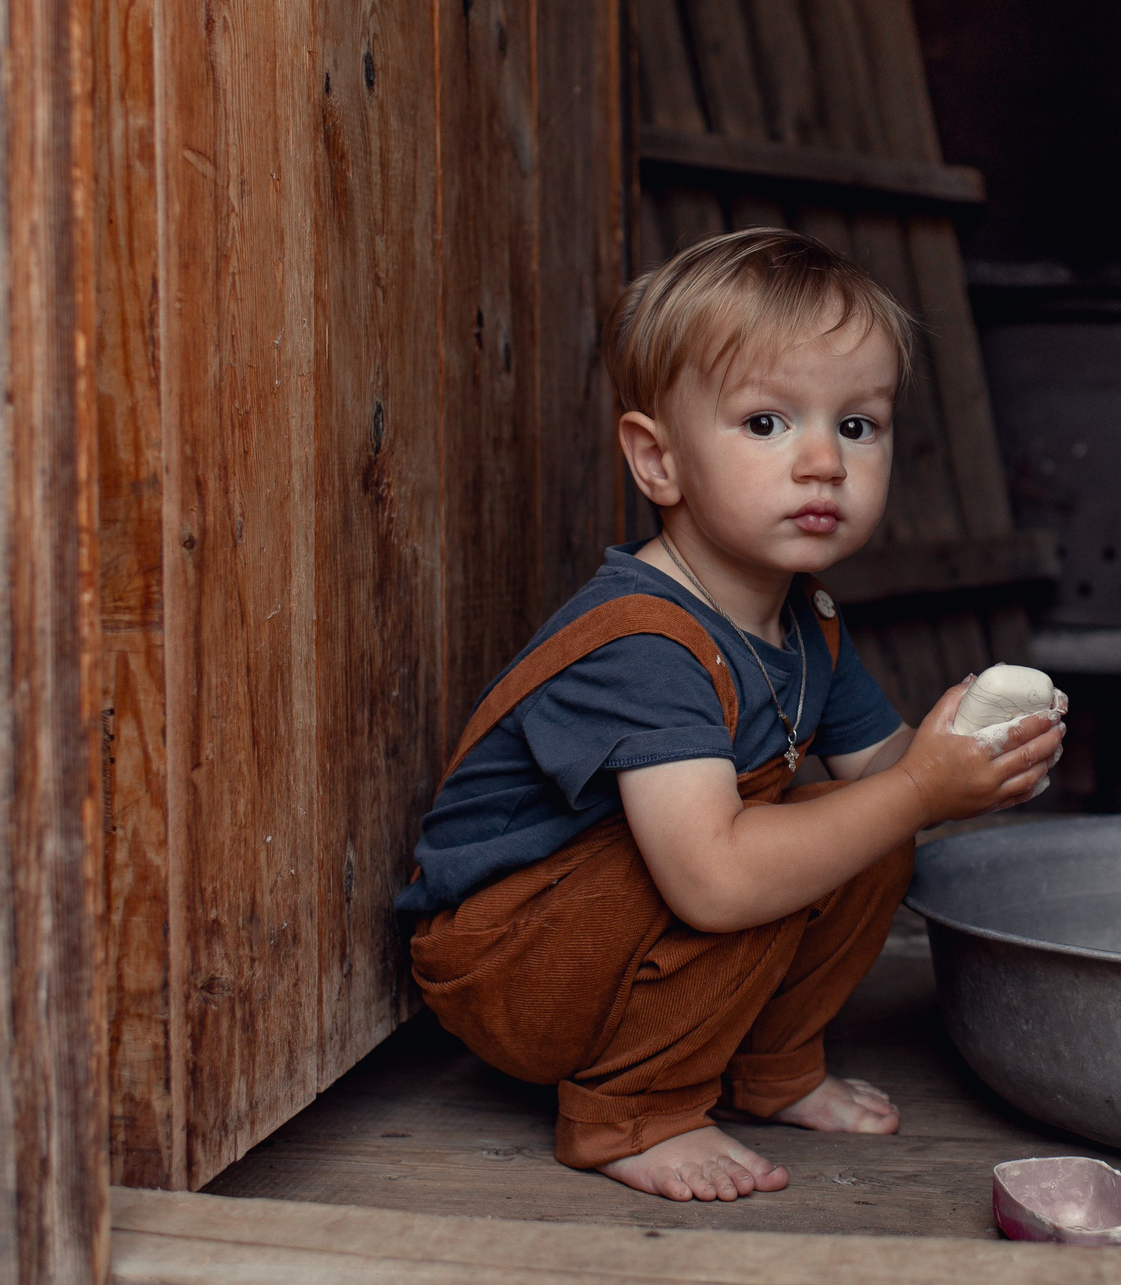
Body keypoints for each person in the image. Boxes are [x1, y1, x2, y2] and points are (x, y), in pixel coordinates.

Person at [401, 228, 1065, 1203]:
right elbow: (713, 881)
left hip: (622, 929)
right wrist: (915, 786)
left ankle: (769, 1064)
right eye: (764, 423)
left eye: (856, 425)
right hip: (510, 961)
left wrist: (972, 757)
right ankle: (631, 1108)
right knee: (760, 853)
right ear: (657, 460)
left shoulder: (805, 622)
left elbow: (891, 783)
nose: (820, 462)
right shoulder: (647, 643)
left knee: (870, 825)